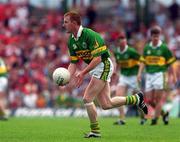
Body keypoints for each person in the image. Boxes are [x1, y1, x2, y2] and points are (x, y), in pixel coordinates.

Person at [62, 11, 147, 138]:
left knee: (87, 98)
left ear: (74, 23)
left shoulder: (90, 35)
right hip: (96, 68)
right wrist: (66, 78)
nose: (63, 25)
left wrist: (83, 73)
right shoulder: (71, 41)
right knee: (106, 104)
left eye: (66, 22)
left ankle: (95, 131)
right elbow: (73, 63)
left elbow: (98, 59)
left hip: (104, 65)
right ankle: (136, 99)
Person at [137, 25, 176, 125]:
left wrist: (174, 76)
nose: (156, 38)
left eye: (157, 36)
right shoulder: (147, 48)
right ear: (151, 36)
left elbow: (171, 64)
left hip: (160, 74)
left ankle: (155, 120)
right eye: (154, 36)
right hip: (149, 75)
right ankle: (164, 114)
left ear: (160, 36)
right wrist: (139, 73)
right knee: (149, 100)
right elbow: (142, 62)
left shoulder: (164, 48)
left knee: (158, 99)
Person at [112, 33, 146, 125]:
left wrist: (139, 73)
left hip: (133, 77)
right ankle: (122, 119)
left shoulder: (131, 51)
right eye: (122, 42)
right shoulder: (117, 52)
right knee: (118, 96)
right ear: (118, 43)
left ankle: (143, 117)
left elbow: (142, 60)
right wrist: (116, 71)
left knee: (137, 99)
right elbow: (119, 63)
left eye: (125, 41)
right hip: (124, 76)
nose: (124, 43)